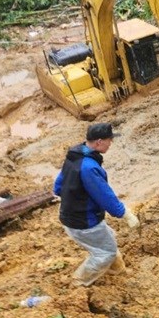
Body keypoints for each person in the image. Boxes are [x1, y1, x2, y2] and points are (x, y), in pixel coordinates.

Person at [53, 122, 139, 286]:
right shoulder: (89, 168)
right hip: (84, 222)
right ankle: (79, 282)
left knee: (109, 238)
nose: (111, 143)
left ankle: (117, 270)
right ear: (99, 142)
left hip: (68, 216)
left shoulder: (75, 156)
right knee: (105, 252)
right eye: (109, 140)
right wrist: (125, 213)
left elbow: (58, 187)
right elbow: (105, 196)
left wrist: (75, 196)